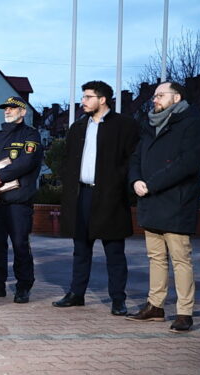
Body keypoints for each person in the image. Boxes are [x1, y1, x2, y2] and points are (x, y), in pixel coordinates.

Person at [126, 82, 200, 332]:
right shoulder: (151, 124)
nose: (155, 99)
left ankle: (185, 312)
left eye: (160, 95)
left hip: (176, 201)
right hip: (150, 201)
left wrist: (151, 184)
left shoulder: (192, 123)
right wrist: (136, 180)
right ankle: (155, 306)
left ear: (177, 97)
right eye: (154, 95)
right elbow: (136, 158)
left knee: (180, 259)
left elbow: (187, 164)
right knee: (155, 258)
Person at [52, 81, 139, 316]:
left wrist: (119, 185)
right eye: (83, 97)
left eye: (88, 97)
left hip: (110, 197)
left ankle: (118, 300)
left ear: (102, 99)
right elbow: (68, 159)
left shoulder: (124, 125)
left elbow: (132, 160)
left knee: (114, 251)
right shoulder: (78, 127)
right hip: (81, 194)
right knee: (80, 248)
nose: (83, 101)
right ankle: (76, 294)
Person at [0, 96, 43, 303]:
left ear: (23, 112)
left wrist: (0, 177)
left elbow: (27, 162)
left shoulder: (31, 135)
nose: (8, 110)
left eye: (13, 108)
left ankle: (23, 285)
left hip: (17, 200)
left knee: (20, 244)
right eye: (6, 108)